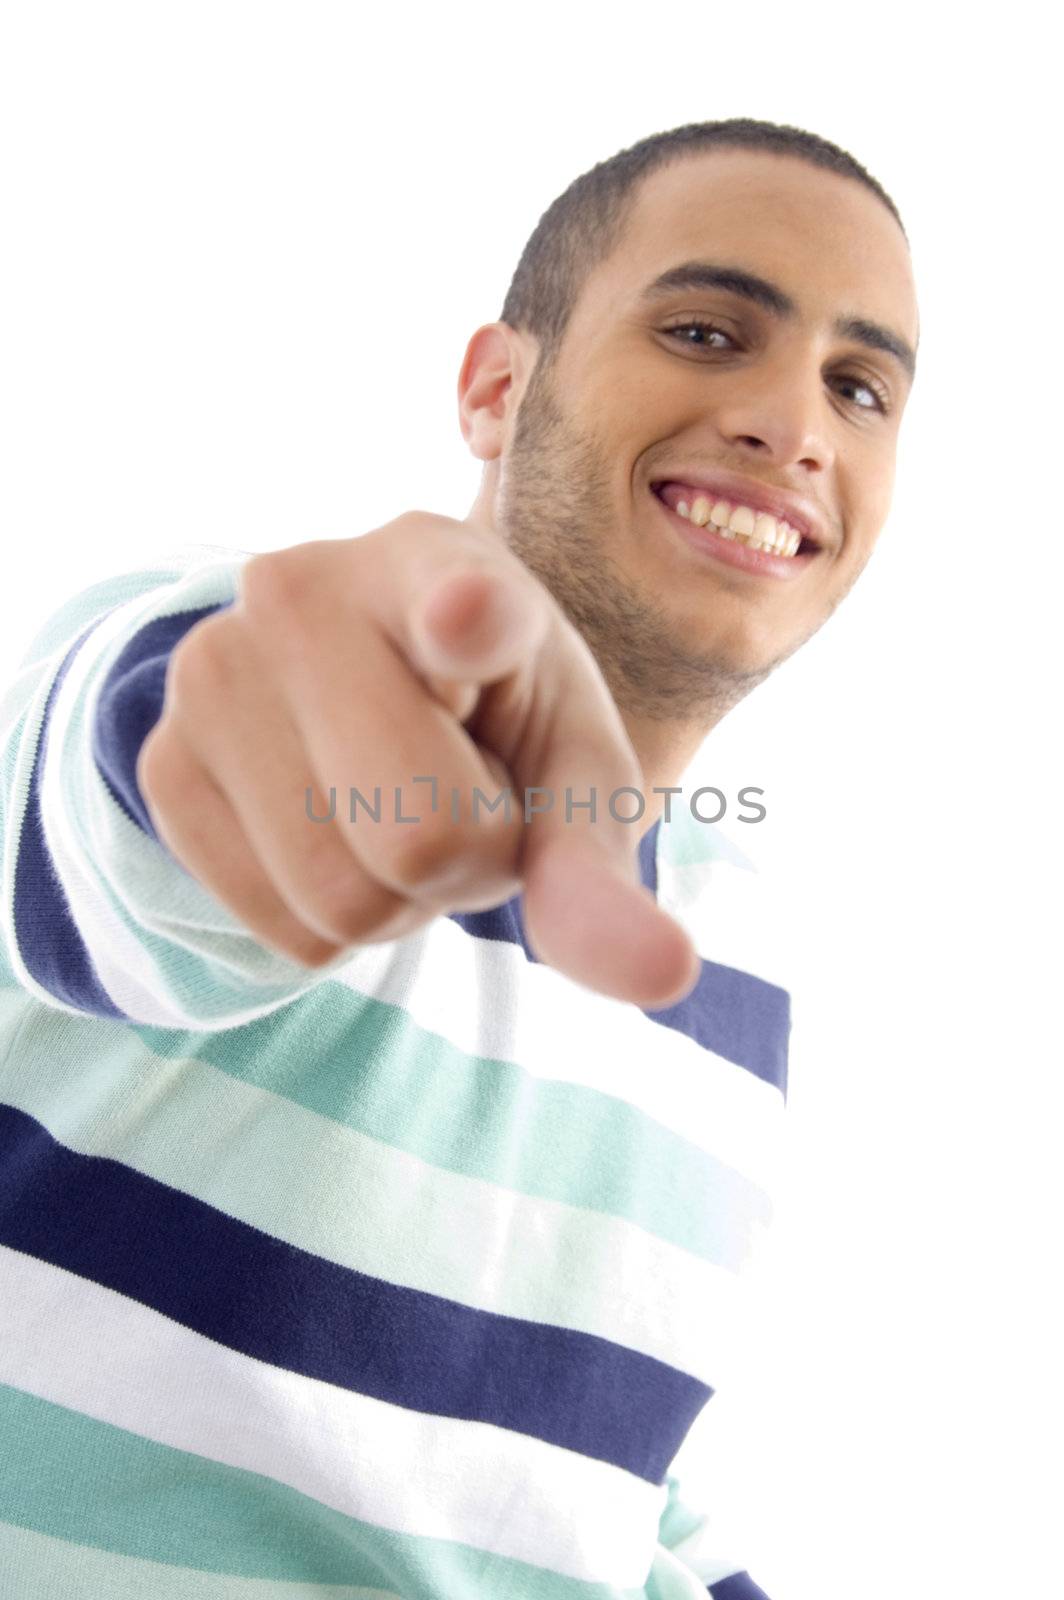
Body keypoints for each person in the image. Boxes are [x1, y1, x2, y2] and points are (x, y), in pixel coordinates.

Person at [0, 115, 919, 1599]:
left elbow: (598, 1493)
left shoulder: (740, 964)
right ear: (499, 388)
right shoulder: (210, 656)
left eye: (859, 386)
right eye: (704, 330)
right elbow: (148, 805)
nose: (795, 426)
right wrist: (269, 744)